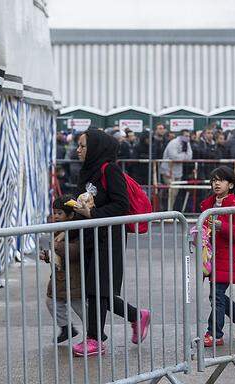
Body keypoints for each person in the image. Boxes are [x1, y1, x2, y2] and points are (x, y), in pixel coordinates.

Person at [71, 129, 150, 357]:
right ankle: (135, 315)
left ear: (96, 147)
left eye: (83, 146)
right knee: (95, 289)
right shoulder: (86, 172)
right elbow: (80, 203)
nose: (78, 150)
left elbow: (121, 206)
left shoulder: (110, 170)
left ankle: (95, 339)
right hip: (89, 237)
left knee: (98, 289)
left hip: (109, 239)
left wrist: (92, 213)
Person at [199, 166, 235, 347]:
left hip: (229, 259)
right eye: (214, 180)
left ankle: (214, 333)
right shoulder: (208, 204)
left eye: (221, 180)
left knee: (216, 295)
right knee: (216, 296)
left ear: (230, 185)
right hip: (211, 258)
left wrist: (220, 226)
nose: (216, 183)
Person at [40, 195, 85, 343]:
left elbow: (76, 251)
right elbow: (56, 255)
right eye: (54, 213)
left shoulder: (75, 231)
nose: (56, 216)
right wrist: (47, 256)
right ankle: (66, 328)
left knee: (80, 308)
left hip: (74, 279)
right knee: (51, 302)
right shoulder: (57, 230)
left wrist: (58, 247)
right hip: (60, 279)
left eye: (60, 213)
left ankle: (94, 332)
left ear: (71, 215)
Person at [160, 129, 193, 210]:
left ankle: (169, 210)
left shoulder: (187, 143)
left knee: (175, 193)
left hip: (178, 171)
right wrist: (184, 155)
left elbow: (190, 157)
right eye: (186, 136)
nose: (188, 138)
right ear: (181, 135)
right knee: (171, 192)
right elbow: (174, 156)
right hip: (168, 170)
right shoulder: (173, 143)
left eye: (189, 136)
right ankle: (167, 210)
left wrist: (182, 156)